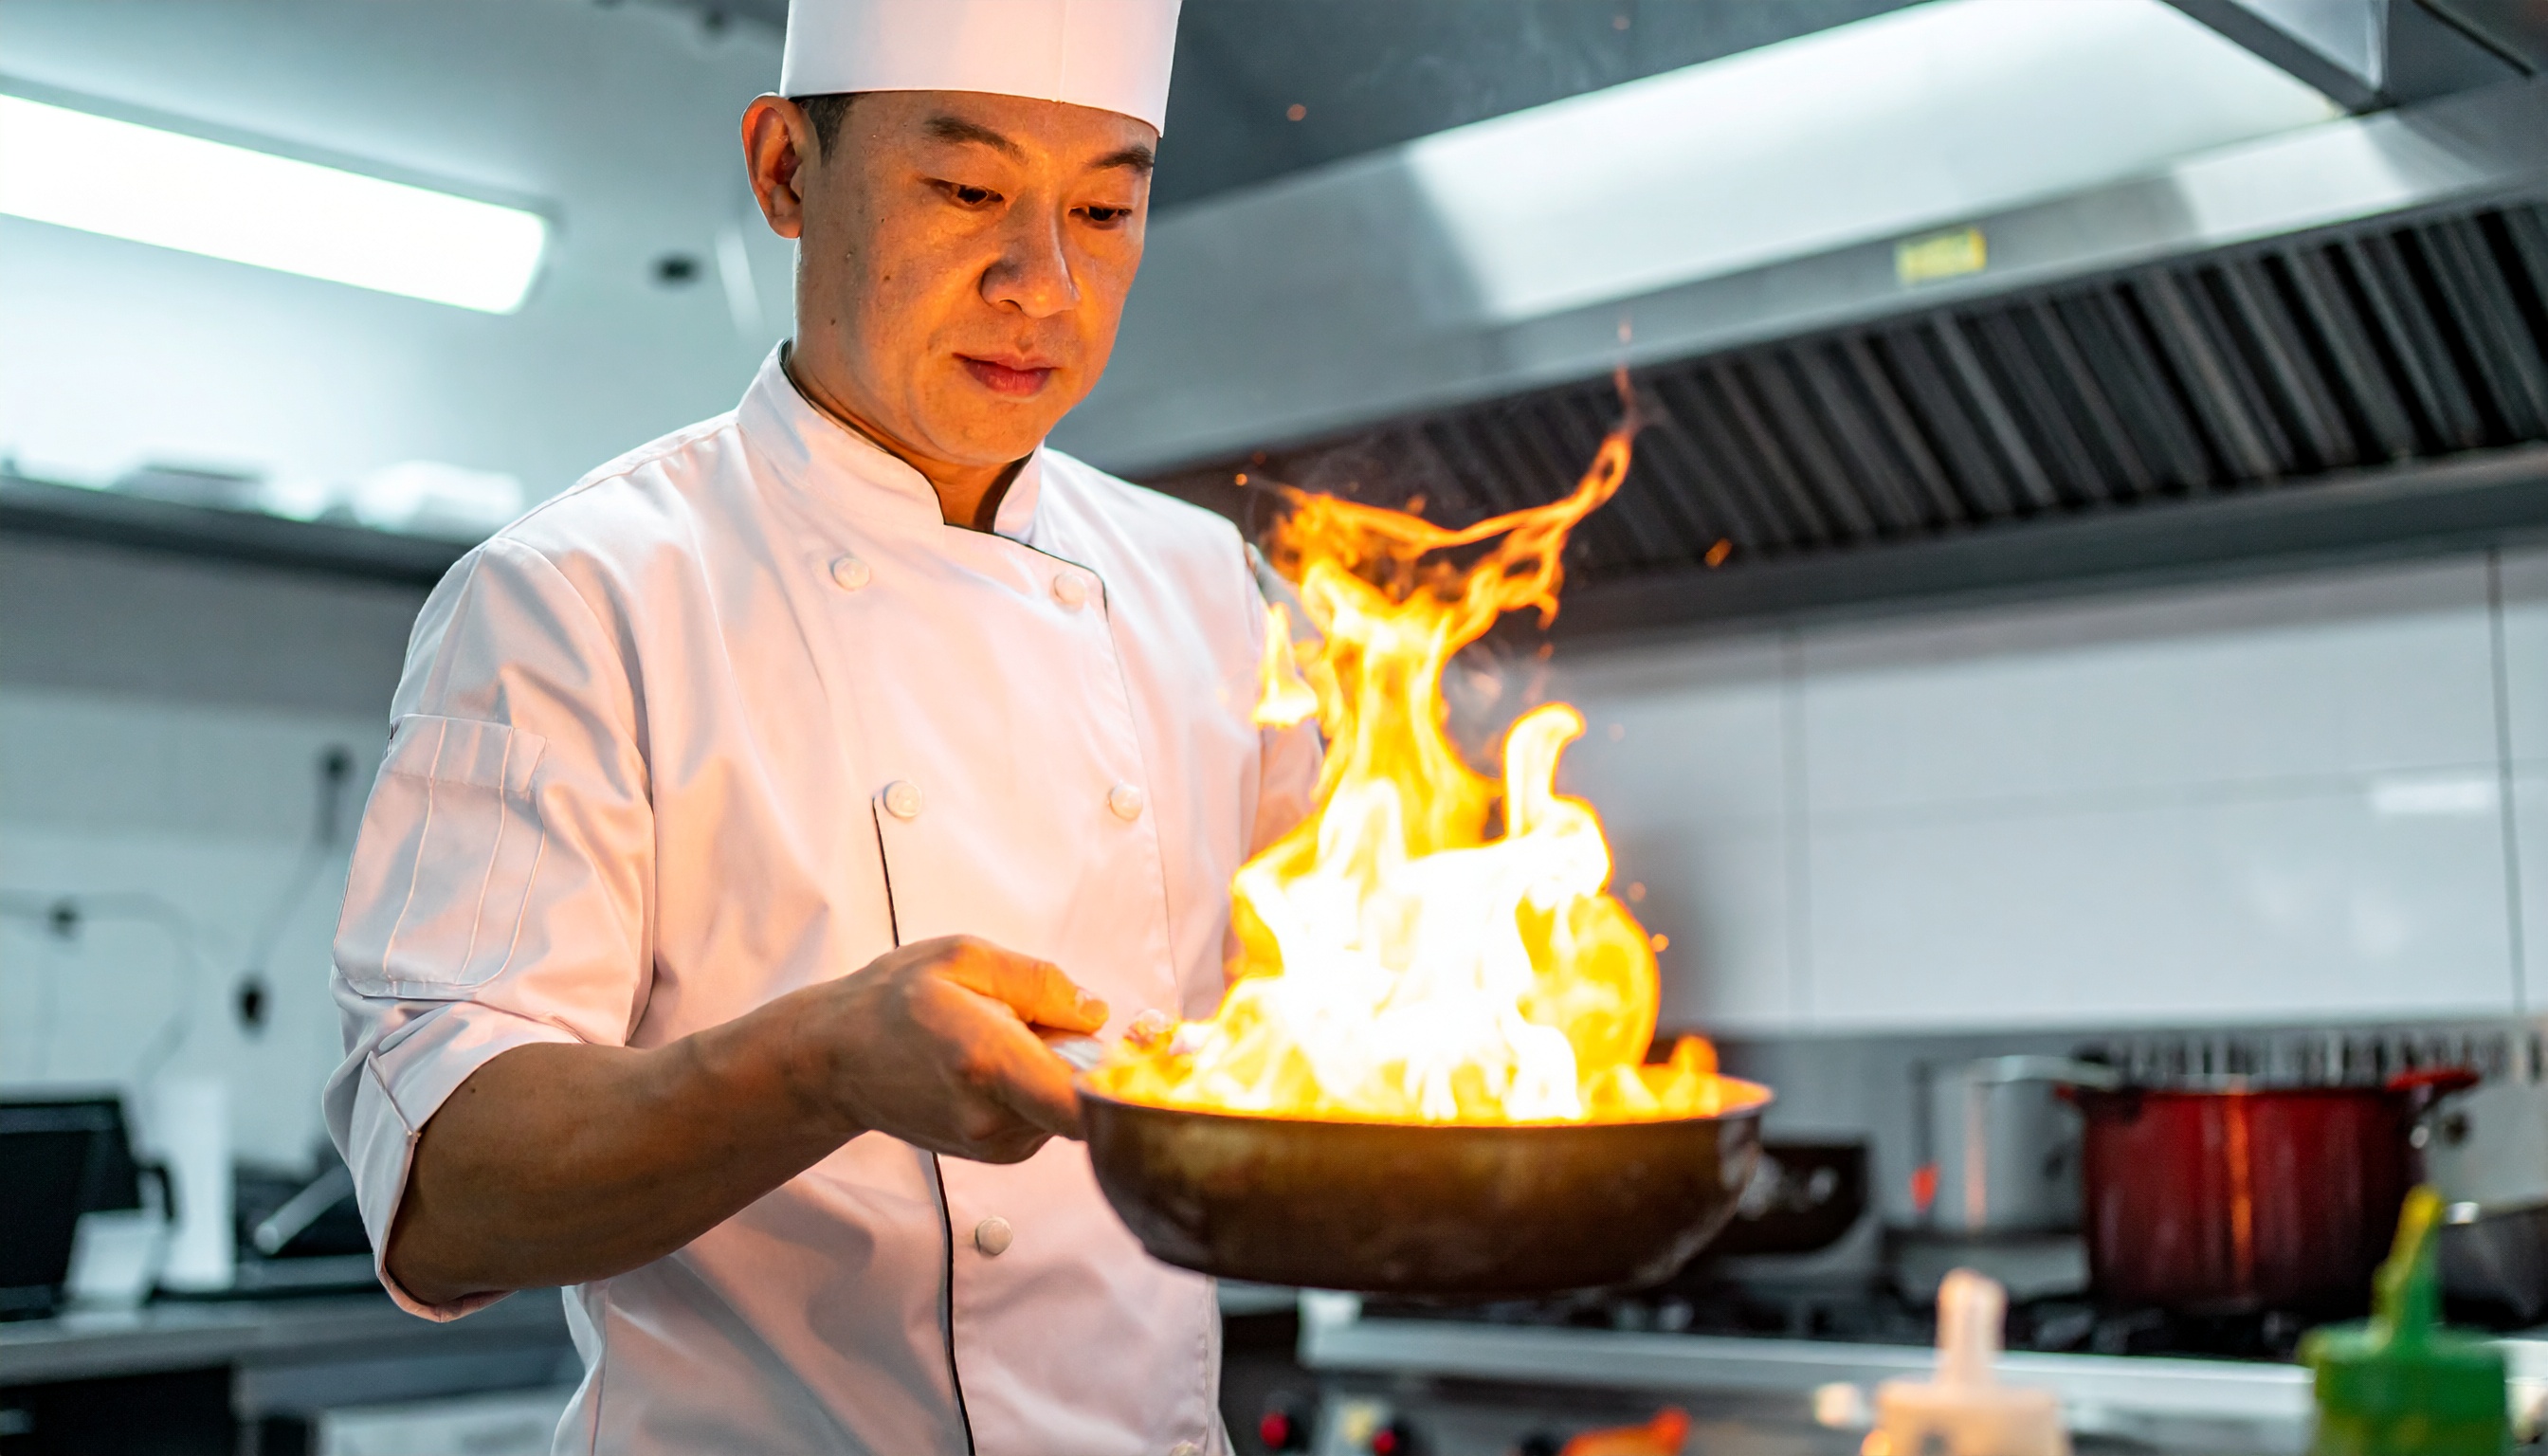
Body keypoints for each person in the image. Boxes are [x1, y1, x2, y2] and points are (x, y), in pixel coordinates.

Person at [321, 2, 1318, 1450]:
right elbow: (446, 1201)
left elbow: (1319, 1038)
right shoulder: (576, 599)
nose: (1044, 284)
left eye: (1103, 208)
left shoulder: (1211, 596)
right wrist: (826, 1063)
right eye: (970, 191)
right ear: (787, 170)